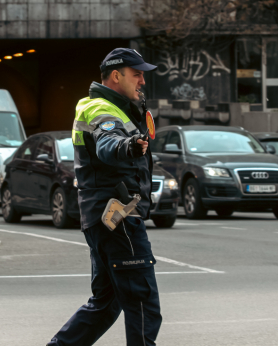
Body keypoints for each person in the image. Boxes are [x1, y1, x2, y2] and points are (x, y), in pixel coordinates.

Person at [47, 48, 162, 346]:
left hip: (103, 219)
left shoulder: (110, 107)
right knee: (142, 302)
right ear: (116, 75)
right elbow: (107, 143)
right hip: (119, 219)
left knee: (105, 303)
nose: (142, 81)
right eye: (136, 74)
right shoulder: (101, 108)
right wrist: (130, 146)